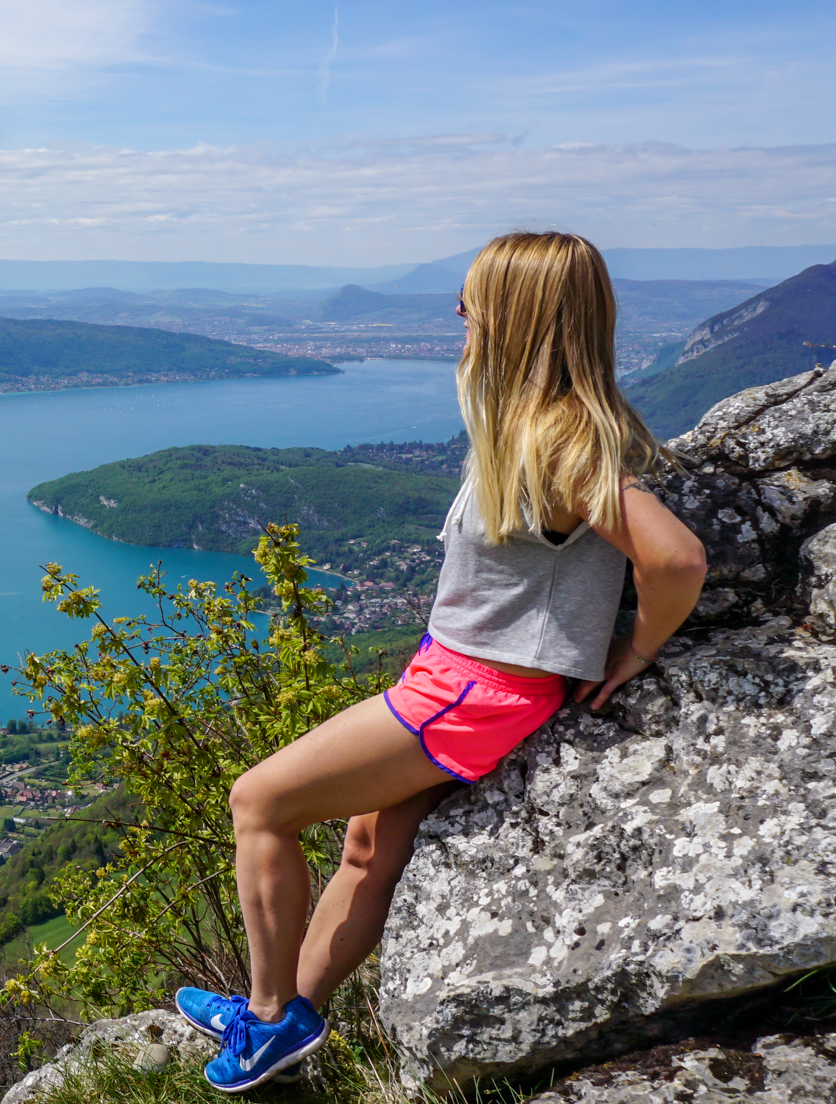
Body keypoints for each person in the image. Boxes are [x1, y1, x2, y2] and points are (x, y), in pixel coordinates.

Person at [173, 231, 709, 1093]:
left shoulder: (558, 440)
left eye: (473, 301)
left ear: (517, 317)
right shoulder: (532, 426)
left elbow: (676, 559)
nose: (458, 314)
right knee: (365, 845)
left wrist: (634, 649)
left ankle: (269, 1020)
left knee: (260, 802)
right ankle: (288, 1021)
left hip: (474, 692)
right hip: (457, 678)